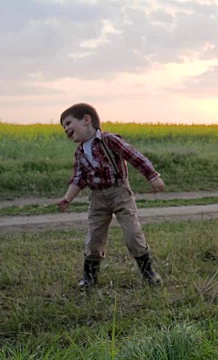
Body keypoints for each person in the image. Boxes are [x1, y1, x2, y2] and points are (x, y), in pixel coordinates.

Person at [57, 103, 165, 287]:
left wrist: (153, 176)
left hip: (120, 193)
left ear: (86, 119)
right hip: (97, 199)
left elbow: (133, 156)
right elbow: (78, 177)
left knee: (133, 234)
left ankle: (149, 273)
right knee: (94, 239)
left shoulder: (109, 140)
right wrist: (68, 197)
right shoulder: (80, 152)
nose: (66, 129)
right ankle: (89, 277)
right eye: (63, 127)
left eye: (68, 123)